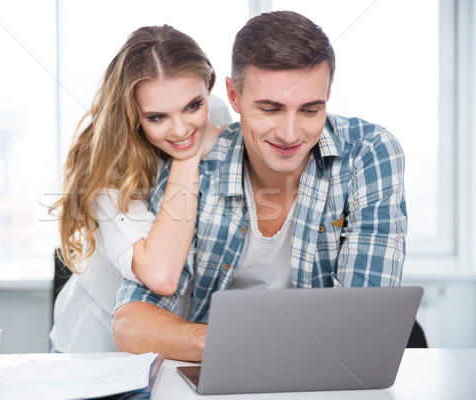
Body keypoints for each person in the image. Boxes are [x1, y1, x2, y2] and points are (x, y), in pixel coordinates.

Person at [113, 10, 408, 361]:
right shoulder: (195, 169)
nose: (289, 133)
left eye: (310, 110)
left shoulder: (368, 154)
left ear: (328, 95)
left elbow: (364, 321)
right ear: (233, 97)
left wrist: (255, 347)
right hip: (224, 368)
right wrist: (231, 345)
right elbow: (130, 321)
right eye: (270, 109)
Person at [49, 25, 226, 353]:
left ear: (209, 85)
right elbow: (161, 275)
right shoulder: (106, 166)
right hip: (97, 338)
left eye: (192, 106)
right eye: (157, 117)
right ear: (132, 113)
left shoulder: (215, 113)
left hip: (175, 335)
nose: (181, 128)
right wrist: (189, 159)